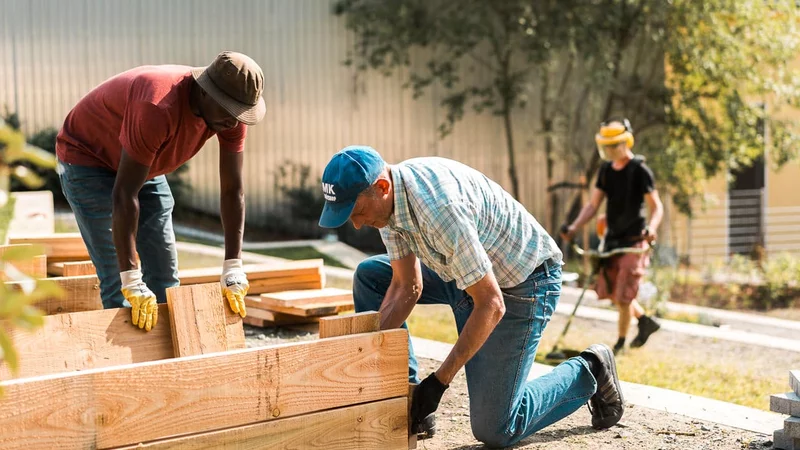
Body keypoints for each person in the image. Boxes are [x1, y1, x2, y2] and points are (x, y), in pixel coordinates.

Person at [317, 146, 625, 448]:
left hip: (522, 283)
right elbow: (405, 286)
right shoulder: (388, 205)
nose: (357, 223)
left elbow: (491, 304)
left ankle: (590, 368)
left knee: (497, 428)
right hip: (465, 272)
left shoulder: (438, 210)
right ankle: (406, 399)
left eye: (357, 212)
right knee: (371, 276)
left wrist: (438, 382)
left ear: (382, 187)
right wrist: (359, 354)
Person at [56, 51, 266, 330]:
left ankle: (168, 366)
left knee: (166, 280)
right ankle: (127, 371)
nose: (234, 121)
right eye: (229, 110)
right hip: (89, 159)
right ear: (205, 92)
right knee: (120, 284)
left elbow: (232, 190)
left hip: (143, 162)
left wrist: (233, 266)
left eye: (241, 114)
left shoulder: (231, 117)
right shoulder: (158, 105)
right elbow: (124, 195)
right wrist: (131, 277)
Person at [561, 118, 664, 354]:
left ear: (625, 142)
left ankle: (619, 345)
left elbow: (656, 206)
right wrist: (575, 226)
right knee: (612, 293)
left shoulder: (640, 171)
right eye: (606, 146)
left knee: (624, 297)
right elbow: (593, 205)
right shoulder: (606, 171)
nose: (609, 150)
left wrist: (653, 227)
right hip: (613, 239)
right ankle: (645, 322)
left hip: (634, 241)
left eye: (614, 145)